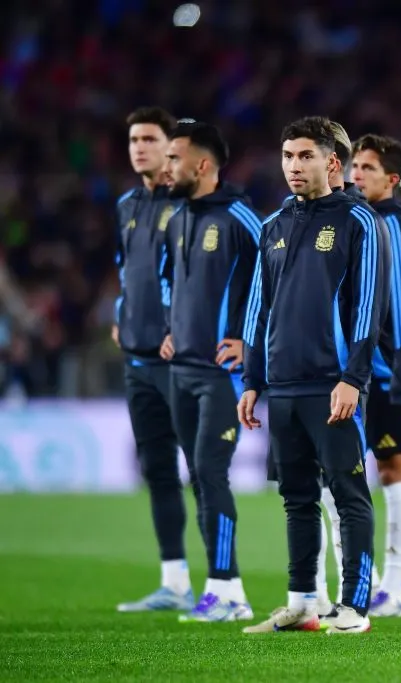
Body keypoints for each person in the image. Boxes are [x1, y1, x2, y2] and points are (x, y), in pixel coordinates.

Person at [239, 116, 389, 635]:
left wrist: (353, 377)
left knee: (349, 494)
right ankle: (303, 602)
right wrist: (252, 380)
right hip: (282, 384)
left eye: (305, 156)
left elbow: (369, 307)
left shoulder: (359, 220)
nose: (294, 166)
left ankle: (355, 606)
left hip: (333, 384)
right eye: (287, 156)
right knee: (296, 497)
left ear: (332, 162)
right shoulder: (273, 225)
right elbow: (258, 308)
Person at [160, 120, 261, 622]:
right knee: (199, 478)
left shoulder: (241, 217)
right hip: (182, 369)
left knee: (210, 471)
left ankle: (227, 592)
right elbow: (169, 280)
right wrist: (171, 325)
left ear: (202, 165)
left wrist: (248, 339)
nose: (166, 166)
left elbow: (276, 279)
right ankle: (226, 587)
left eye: (174, 157)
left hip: (223, 374)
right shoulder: (177, 218)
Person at [113, 107, 193, 614]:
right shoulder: (126, 205)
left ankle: (226, 584)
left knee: (204, 473)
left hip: (180, 362)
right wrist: (121, 314)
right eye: (134, 140)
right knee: (159, 472)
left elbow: (199, 276)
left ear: (171, 147)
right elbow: (126, 269)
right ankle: (174, 581)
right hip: (137, 360)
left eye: (149, 139)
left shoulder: (187, 204)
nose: (139, 148)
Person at [350, 133, 401, 618]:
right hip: (351, 373)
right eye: (354, 166)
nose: (356, 175)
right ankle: (366, 582)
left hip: (384, 372)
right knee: (342, 473)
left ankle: (393, 589)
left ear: (392, 179)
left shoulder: (392, 223)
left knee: (394, 469)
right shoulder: (356, 220)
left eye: (368, 168)